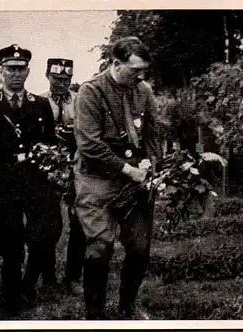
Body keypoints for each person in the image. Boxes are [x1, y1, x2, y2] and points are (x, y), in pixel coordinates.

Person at [74, 36, 163, 320]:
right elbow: (89, 145)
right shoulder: (91, 92)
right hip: (97, 178)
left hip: (135, 178)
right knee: (100, 248)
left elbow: (151, 132)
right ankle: (95, 314)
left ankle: (127, 307)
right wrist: (128, 170)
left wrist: (152, 166)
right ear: (115, 63)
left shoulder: (143, 90)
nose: (140, 76)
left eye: (143, 71)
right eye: (134, 70)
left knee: (139, 246)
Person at [0, 44, 59, 313]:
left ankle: (28, 285)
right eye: (10, 69)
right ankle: (13, 298)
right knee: (11, 245)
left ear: (29, 72)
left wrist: (54, 169)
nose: (15, 74)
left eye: (20, 69)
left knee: (43, 239)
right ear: (1, 71)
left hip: (35, 182)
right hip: (2, 184)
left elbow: (50, 142)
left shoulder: (40, 105)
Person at [40, 58, 85, 296]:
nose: (61, 83)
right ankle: (48, 275)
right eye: (57, 78)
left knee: (79, 222)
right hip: (48, 170)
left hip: (77, 165)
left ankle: (73, 276)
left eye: (66, 79)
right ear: (47, 76)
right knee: (49, 224)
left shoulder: (80, 100)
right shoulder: (38, 102)